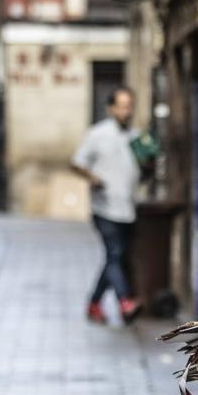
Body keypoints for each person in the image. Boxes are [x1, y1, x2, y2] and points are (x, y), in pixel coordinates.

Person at [71, 87, 143, 324]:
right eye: (122, 106)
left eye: (129, 105)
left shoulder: (136, 136)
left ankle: (94, 303)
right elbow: (77, 162)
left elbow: (143, 169)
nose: (126, 111)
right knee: (114, 253)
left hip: (127, 207)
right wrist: (93, 178)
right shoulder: (98, 134)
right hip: (104, 207)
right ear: (111, 108)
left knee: (115, 257)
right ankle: (124, 301)